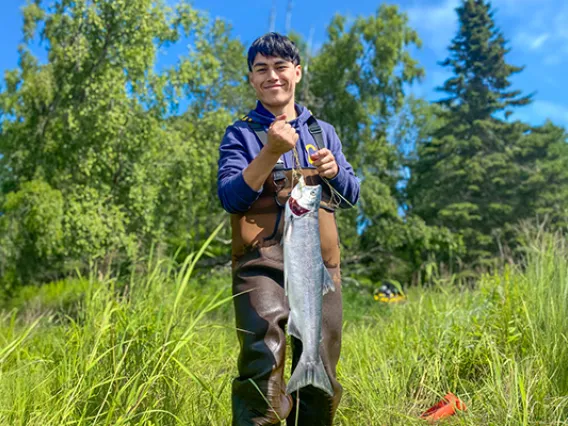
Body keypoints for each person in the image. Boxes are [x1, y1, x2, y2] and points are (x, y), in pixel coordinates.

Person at [217, 32, 360, 426]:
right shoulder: (240, 133)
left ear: (297, 72)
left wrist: (335, 173)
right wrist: (269, 152)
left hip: (320, 270)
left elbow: (352, 195)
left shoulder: (322, 132)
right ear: (251, 79)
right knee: (263, 364)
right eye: (261, 69)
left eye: (280, 67)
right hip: (260, 266)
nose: (272, 76)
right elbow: (230, 198)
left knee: (320, 372)